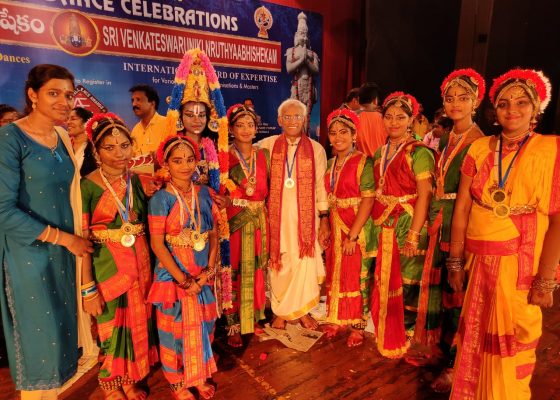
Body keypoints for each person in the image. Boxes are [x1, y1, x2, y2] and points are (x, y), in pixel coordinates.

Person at [449, 69, 560, 400]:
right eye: (504, 103)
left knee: (515, 339)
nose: (512, 110)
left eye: (522, 103)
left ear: (536, 107)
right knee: (474, 333)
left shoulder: (550, 150)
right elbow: (463, 210)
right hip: (477, 260)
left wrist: (545, 280)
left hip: (519, 265)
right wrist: (455, 261)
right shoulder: (480, 148)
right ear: (493, 110)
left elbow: (557, 218)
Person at [0, 64, 94, 399]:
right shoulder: (10, 138)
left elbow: (72, 194)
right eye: (53, 93)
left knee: (60, 345)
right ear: (32, 95)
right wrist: (66, 240)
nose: (64, 102)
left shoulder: (63, 137)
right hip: (29, 257)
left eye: (69, 95)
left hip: (64, 256)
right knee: (40, 344)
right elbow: (3, 211)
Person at [412, 69, 486, 393]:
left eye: (463, 98)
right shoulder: (446, 136)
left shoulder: (479, 142)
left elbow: (469, 198)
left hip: (461, 225)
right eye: (450, 98)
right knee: (443, 294)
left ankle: (458, 365)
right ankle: (444, 352)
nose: (456, 103)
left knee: (459, 296)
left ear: (476, 101)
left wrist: (458, 251)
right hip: (440, 221)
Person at [81, 113, 158, 399]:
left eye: (124, 146)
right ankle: (111, 382)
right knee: (112, 324)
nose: (118, 154)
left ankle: (130, 378)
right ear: (95, 151)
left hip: (140, 264)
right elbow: (82, 240)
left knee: (138, 321)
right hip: (107, 268)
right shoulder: (86, 186)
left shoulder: (138, 181)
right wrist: (88, 288)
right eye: (109, 148)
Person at [148, 135, 219, 400]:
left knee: (205, 324)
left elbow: (212, 233)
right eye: (177, 160)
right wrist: (184, 281)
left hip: (202, 273)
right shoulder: (160, 199)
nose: (185, 166)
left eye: (190, 159)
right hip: (173, 276)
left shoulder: (203, 193)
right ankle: (177, 381)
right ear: (166, 163)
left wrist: (209, 269)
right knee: (172, 331)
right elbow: (157, 245)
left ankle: (198, 374)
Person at [162, 47, 232, 311]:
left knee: (209, 267)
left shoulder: (212, 147)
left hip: (210, 219)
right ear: (180, 117)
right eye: (190, 114)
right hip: (181, 222)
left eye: (202, 114)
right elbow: (162, 179)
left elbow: (224, 185)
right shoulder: (172, 146)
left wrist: (224, 197)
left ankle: (213, 319)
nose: (196, 120)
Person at [370, 92, 434, 359]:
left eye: (401, 117)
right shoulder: (379, 151)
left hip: (408, 219)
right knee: (384, 275)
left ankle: (405, 331)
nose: (394, 122)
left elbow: (425, 194)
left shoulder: (419, 153)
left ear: (411, 120)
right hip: (383, 219)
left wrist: (413, 235)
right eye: (389, 117)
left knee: (407, 279)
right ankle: (385, 324)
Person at [258, 98, 329, 330]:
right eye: (287, 117)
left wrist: (324, 217)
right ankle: (281, 311)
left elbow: (320, 185)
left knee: (304, 262)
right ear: (279, 120)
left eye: (297, 116)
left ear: (304, 119)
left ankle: (303, 310)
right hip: (276, 219)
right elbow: (244, 154)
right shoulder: (267, 145)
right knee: (279, 262)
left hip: (306, 221)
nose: (292, 121)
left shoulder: (316, 149)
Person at [322, 108, 375, 347]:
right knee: (336, 271)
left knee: (356, 275)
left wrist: (353, 235)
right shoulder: (331, 162)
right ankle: (338, 317)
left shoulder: (363, 161)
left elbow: (368, 199)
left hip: (356, 226)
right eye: (333, 133)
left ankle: (358, 324)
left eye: (343, 132)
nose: (337, 137)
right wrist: (325, 225)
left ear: (354, 135)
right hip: (335, 223)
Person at [223, 104, 269, 347]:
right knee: (234, 270)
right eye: (240, 125)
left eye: (250, 125)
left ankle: (253, 318)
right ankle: (233, 325)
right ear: (231, 129)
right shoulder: (224, 156)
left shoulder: (263, 155)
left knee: (256, 269)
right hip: (234, 220)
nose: (246, 129)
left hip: (259, 220)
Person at [286, 12, 320, 130]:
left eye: (305, 34)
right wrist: (302, 60)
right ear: (296, 35)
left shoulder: (312, 54)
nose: (304, 37)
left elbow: (316, 70)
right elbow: (289, 69)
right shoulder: (292, 51)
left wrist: (307, 61)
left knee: (306, 115)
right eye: (301, 34)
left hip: (309, 87)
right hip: (297, 86)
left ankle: (306, 139)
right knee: (296, 113)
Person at [129, 84, 168, 162]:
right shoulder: (135, 130)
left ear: (152, 103)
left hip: (162, 173)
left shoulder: (167, 124)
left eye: (138, 100)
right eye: (132, 100)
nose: (134, 104)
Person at [355, 82, 387, 157]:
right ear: (375, 100)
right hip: (380, 163)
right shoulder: (385, 118)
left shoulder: (352, 117)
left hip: (359, 164)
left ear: (359, 99)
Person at [67, 106, 97, 176]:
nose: (68, 122)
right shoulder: (63, 144)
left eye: (73, 119)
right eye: (67, 119)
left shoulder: (95, 148)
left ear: (86, 123)